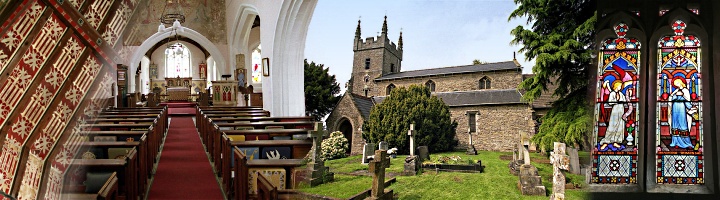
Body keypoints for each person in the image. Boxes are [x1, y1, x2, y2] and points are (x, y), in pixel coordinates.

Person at [599, 80, 632, 151]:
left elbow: (625, 100)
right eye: (620, 86)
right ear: (616, 86)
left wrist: (629, 95)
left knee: (620, 126)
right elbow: (610, 102)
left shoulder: (621, 94)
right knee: (612, 126)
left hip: (621, 110)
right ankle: (606, 142)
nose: (620, 87)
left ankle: (616, 141)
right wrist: (617, 101)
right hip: (615, 110)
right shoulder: (612, 93)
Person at [668, 77, 697, 149]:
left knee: (683, 126)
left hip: (682, 113)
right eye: (675, 84)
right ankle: (675, 142)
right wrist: (674, 93)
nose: (677, 85)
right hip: (675, 113)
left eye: (677, 83)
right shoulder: (675, 96)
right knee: (675, 126)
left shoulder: (685, 91)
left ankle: (686, 143)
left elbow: (688, 103)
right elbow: (670, 98)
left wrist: (693, 108)